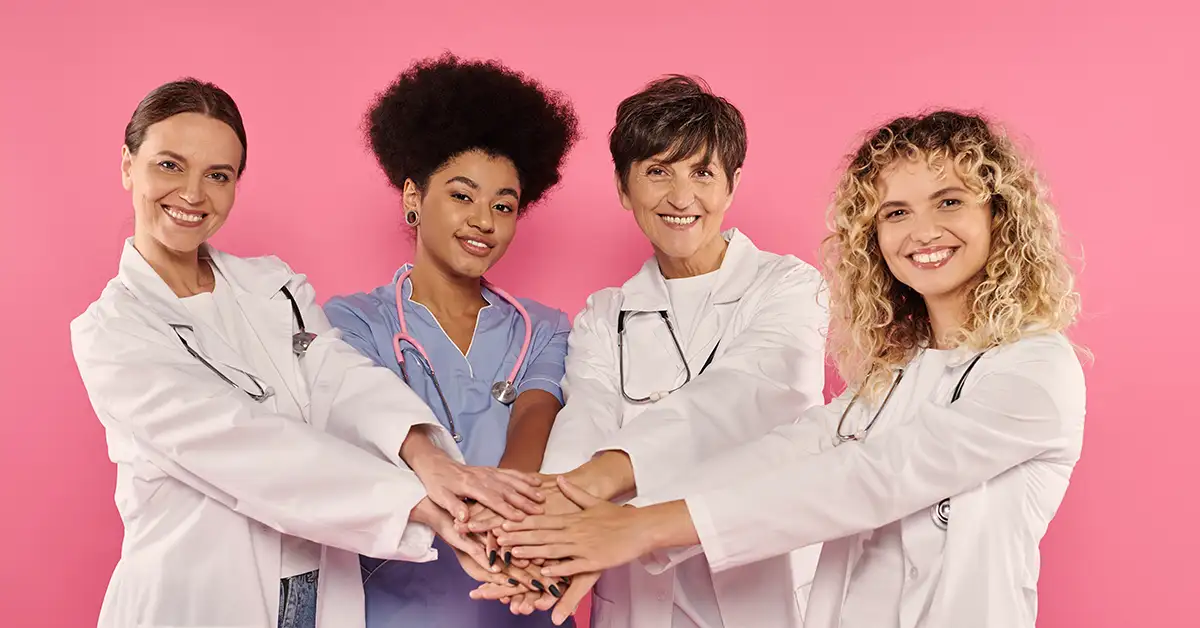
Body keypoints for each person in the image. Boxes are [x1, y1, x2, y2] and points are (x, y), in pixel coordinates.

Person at [495, 110, 1087, 628]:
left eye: (950, 201)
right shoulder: (890, 379)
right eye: (896, 212)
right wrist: (576, 520)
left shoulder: (1036, 370)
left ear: (1000, 215)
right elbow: (790, 450)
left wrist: (641, 528)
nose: (922, 231)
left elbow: (869, 477)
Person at [70, 78, 546, 628]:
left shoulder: (275, 288)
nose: (193, 194)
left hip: (320, 595)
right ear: (129, 164)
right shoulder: (112, 332)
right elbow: (246, 446)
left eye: (218, 175)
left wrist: (430, 460)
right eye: (169, 165)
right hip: (198, 596)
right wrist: (428, 506)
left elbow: (337, 380)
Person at [470, 75, 830, 627]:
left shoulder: (790, 287)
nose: (681, 197)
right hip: (638, 601)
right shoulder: (603, 314)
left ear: (731, 186)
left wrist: (584, 491)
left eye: (702, 173)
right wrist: (546, 540)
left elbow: (741, 398)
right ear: (623, 187)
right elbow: (587, 416)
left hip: (761, 590)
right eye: (658, 171)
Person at [321, 53, 581, 627]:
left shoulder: (544, 329)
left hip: (518, 599)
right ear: (414, 197)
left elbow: (532, 426)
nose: (484, 221)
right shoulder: (352, 324)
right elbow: (360, 436)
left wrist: (501, 515)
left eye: (504, 205)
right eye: (462, 195)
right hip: (398, 607)